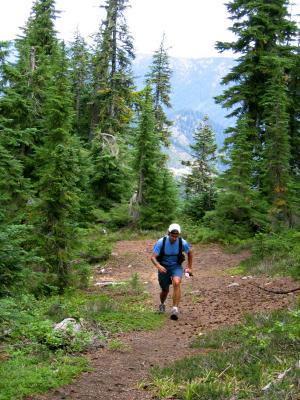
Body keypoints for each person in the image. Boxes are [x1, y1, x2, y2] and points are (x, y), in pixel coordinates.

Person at [151, 223, 193, 320]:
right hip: (163, 267)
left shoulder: (182, 242)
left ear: (179, 235)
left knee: (177, 283)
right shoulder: (161, 242)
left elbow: (190, 253)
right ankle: (162, 304)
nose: (174, 238)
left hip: (176, 266)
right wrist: (158, 266)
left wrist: (189, 267)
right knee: (165, 290)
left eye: (176, 236)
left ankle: (175, 309)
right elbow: (153, 257)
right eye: (172, 235)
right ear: (168, 233)